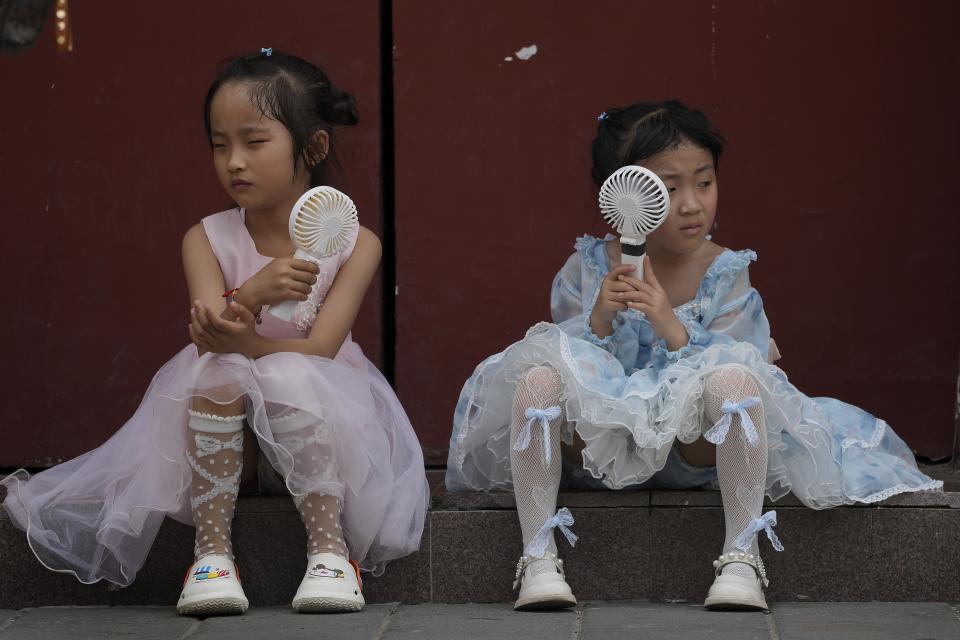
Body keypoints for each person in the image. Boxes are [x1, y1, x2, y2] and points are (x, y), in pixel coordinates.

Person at [445, 100, 942, 612]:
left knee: (734, 382)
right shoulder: (589, 265)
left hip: (694, 448)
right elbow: (577, 364)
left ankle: (741, 557)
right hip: (600, 450)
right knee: (538, 379)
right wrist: (598, 318)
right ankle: (538, 557)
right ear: (624, 196)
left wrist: (669, 324)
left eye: (703, 183)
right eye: (667, 187)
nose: (690, 204)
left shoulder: (725, 269)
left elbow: (742, 362)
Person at [1, 48, 429, 617]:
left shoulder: (356, 243)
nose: (234, 162)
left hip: (323, 426)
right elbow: (210, 336)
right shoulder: (204, 238)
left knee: (284, 371)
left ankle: (330, 551)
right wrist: (252, 293)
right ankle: (210, 555)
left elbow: (321, 349)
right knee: (217, 371)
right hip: (228, 442)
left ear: (314, 147)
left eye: (254, 142)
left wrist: (250, 344)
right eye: (219, 144)